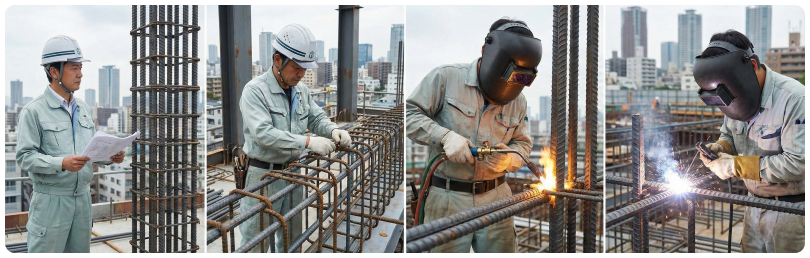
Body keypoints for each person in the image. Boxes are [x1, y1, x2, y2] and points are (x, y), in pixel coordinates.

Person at [406, 18, 539, 253]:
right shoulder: (445, 78)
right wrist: (445, 137)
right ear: (485, 52)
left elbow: (522, 143)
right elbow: (409, 115)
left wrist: (510, 159)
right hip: (447, 199)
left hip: (497, 198)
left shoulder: (518, 100)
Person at [238, 23, 352, 253]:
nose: (302, 74)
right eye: (297, 67)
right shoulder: (255, 91)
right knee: (256, 242)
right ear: (278, 60)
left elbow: (316, 118)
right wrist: (308, 142)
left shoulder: (301, 90)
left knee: (292, 236)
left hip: (292, 173)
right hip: (262, 176)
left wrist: (332, 130)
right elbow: (263, 134)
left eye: (305, 68)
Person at [694, 30, 804, 253]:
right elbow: (729, 135)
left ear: (752, 66)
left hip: (792, 211)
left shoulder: (795, 99)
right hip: (753, 204)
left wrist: (734, 166)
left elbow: (799, 163)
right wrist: (720, 148)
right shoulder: (733, 93)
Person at [16, 35, 125, 253]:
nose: (80, 73)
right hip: (51, 202)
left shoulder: (83, 108)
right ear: (54, 72)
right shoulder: (33, 111)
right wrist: (61, 163)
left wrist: (110, 155)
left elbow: (90, 151)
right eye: (74, 68)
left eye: (80, 67)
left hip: (83, 200)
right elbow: (24, 156)